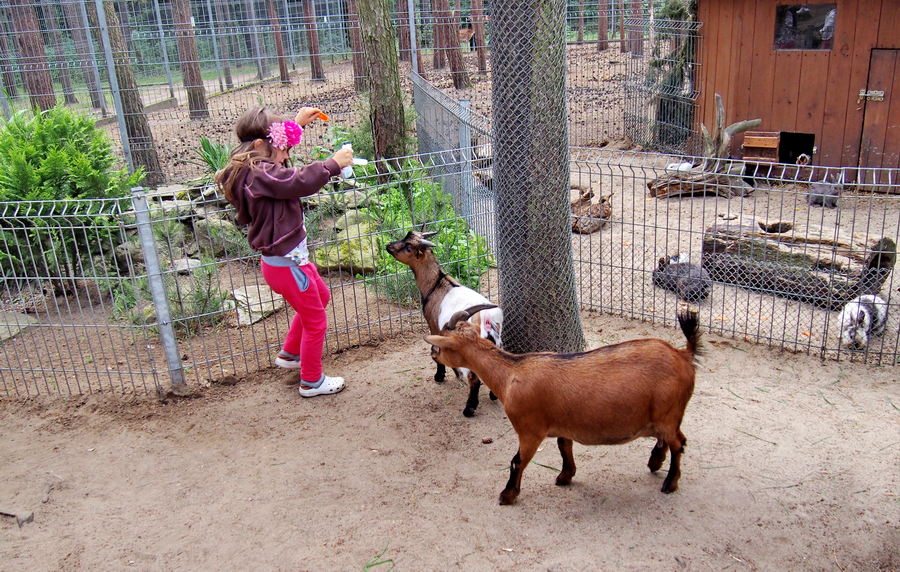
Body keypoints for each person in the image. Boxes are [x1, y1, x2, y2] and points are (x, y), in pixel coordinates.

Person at [216, 106, 353, 397]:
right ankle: (312, 381)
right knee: (316, 321)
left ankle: (291, 353)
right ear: (259, 145)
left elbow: (278, 161)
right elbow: (296, 181)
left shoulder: (254, 168)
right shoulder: (260, 173)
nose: (286, 154)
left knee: (321, 297)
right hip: (288, 264)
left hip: (288, 261)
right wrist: (332, 165)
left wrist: (297, 125)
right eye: (282, 147)